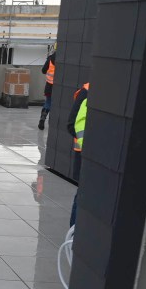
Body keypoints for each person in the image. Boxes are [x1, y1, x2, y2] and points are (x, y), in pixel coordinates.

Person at [67, 81, 89, 226]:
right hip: (85, 156)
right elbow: (71, 125)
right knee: (82, 195)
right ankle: (74, 235)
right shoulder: (87, 91)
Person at [39, 43, 57, 130]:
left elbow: (43, 70)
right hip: (58, 87)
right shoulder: (64, 59)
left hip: (49, 86)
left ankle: (42, 118)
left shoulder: (50, 58)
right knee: (57, 105)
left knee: (48, 103)